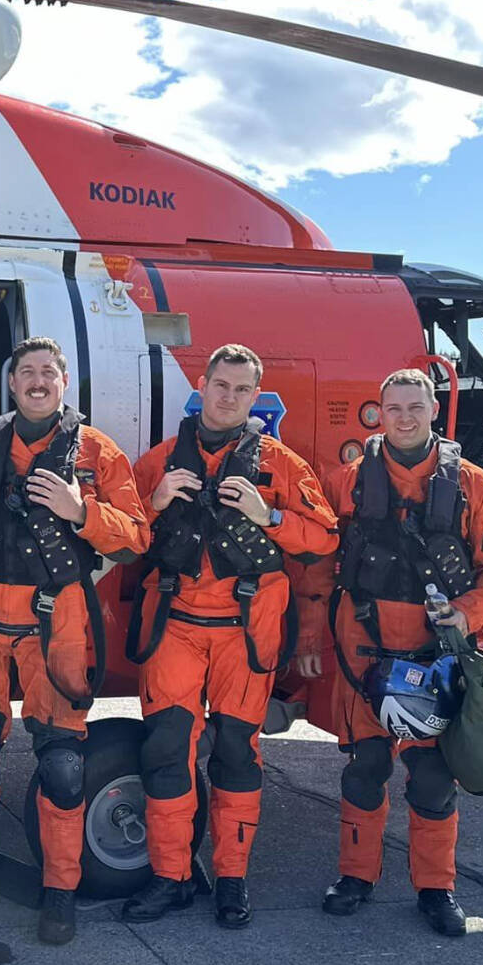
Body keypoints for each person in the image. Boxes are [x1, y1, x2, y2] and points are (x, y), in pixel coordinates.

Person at [0, 338, 150, 945]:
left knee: (65, 766)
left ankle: (60, 890)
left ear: (64, 383)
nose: (38, 382)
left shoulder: (97, 454)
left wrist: (81, 509)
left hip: (60, 616)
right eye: (27, 373)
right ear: (12, 385)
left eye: (49, 372)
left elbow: (136, 537)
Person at [295, 368, 483, 936]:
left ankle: (436, 888)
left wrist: (467, 612)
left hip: (434, 655)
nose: (403, 418)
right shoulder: (346, 482)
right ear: (377, 413)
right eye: (393, 407)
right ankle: (355, 876)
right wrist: (306, 639)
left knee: (431, 778)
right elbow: (318, 565)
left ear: (432, 411)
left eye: (414, 407)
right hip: (363, 654)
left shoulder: (472, 485)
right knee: (364, 771)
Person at [121, 344, 338, 928]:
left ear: (255, 396)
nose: (229, 397)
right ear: (202, 383)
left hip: (247, 631)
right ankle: (172, 877)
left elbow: (323, 540)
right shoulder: (162, 460)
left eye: (243, 390)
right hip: (177, 625)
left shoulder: (281, 464)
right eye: (221, 385)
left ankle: (232, 880)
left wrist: (270, 516)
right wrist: (156, 500)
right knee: (167, 751)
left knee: (238, 754)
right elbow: (120, 535)